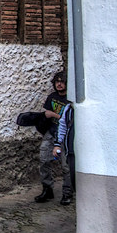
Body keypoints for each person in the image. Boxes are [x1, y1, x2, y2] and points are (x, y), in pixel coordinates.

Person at [36, 71, 72, 204]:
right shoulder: (52, 97)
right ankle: (47, 189)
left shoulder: (70, 100)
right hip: (51, 132)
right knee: (44, 159)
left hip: (65, 135)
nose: (59, 84)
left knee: (66, 166)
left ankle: (67, 193)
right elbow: (46, 112)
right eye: (57, 82)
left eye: (62, 81)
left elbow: (68, 119)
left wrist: (54, 115)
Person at [52, 102, 75, 204]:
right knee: (67, 169)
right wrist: (57, 144)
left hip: (85, 148)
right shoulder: (68, 108)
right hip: (69, 147)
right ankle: (67, 193)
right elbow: (62, 125)